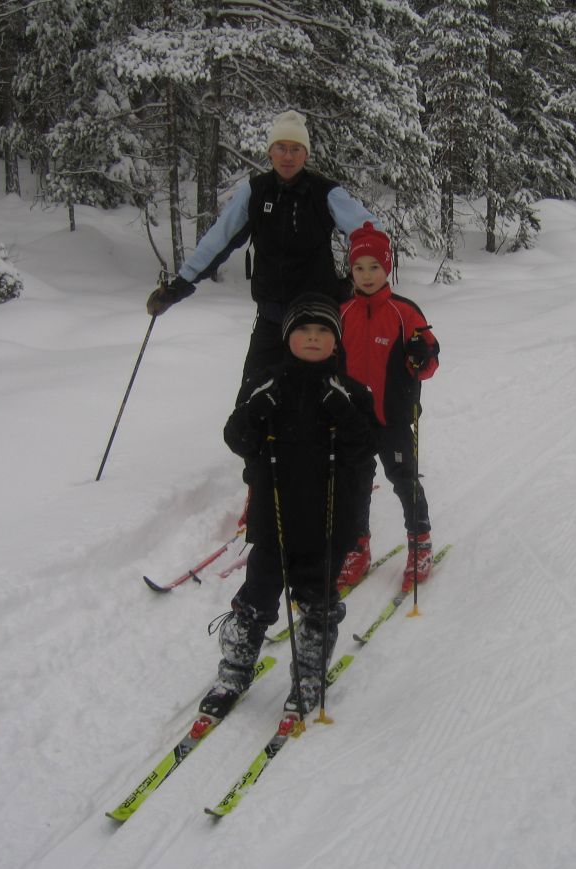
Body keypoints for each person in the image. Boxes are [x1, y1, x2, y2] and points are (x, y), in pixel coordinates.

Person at [199, 293, 377, 719]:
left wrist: (343, 413)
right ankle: (234, 672)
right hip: (273, 523)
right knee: (255, 601)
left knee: (318, 604)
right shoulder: (268, 384)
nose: (313, 339)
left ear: (335, 341)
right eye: (303, 331)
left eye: (322, 332)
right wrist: (257, 412)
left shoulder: (351, 392)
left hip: (325, 525)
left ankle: (309, 676)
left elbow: (366, 449)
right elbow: (236, 438)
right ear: (287, 337)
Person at [144, 110, 384, 400]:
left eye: (296, 149)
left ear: (305, 154)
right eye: (281, 148)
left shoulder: (324, 192)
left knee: (325, 407)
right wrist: (179, 286)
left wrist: (356, 280)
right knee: (252, 403)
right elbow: (218, 241)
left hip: (317, 321)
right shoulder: (256, 193)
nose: (288, 156)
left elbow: (371, 232)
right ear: (270, 152)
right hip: (271, 319)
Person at [336, 222, 440, 594]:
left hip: (393, 417)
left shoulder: (404, 312)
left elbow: (429, 363)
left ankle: (420, 542)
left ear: (387, 268)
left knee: (403, 480)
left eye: (374, 267)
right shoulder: (343, 312)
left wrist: (420, 356)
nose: (366, 275)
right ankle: (357, 547)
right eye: (359, 267)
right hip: (352, 421)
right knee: (355, 484)